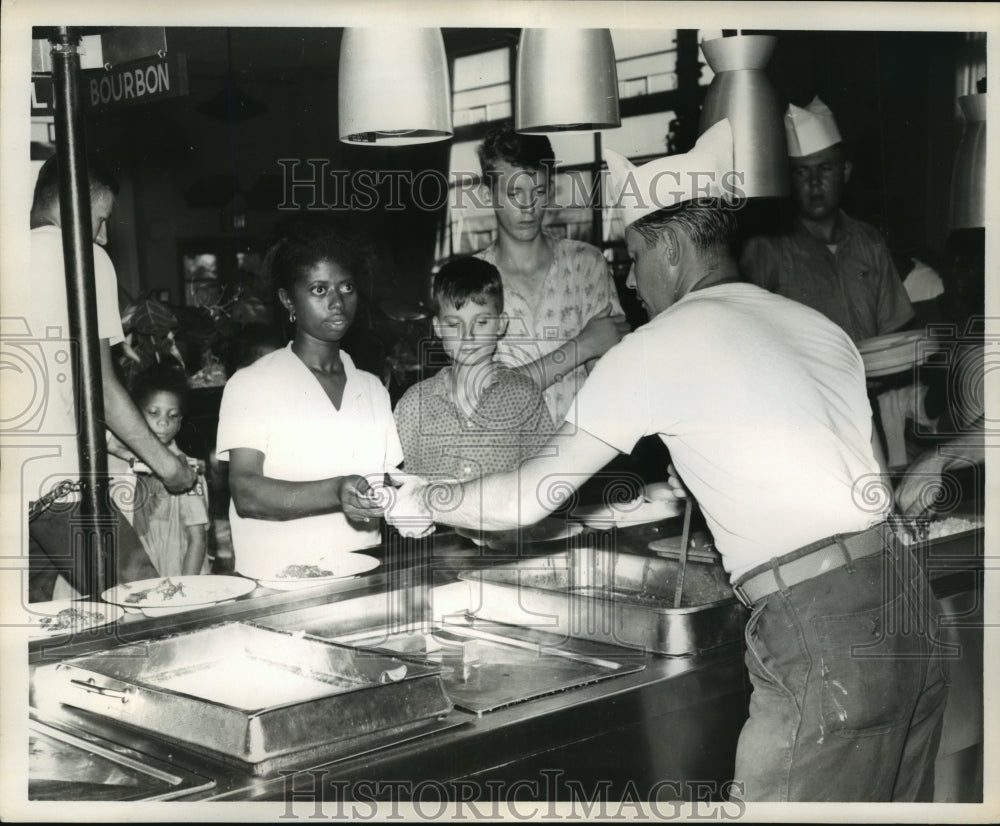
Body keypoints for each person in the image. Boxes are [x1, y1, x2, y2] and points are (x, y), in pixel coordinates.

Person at [387, 121, 949, 802]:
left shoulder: (656, 346)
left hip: (819, 631)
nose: (629, 279)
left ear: (675, 248)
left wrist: (422, 499)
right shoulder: (814, 327)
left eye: (634, 257)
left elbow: (524, 499)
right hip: (908, 604)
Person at [24, 155, 196, 602]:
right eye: (100, 220)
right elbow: (96, 387)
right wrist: (168, 465)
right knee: (148, 600)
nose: (102, 236)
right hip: (55, 485)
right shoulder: (83, 257)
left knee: (41, 620)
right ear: (75, 206)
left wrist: (118, 443)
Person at [215, 221, 401, 581]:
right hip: (278, 582)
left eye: (346, 287)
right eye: (319, 289)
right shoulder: (253, 384)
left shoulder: (372, 388)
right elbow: (247, 492)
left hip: (361, 574)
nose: (336, 302)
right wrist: (334, 491)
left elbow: (388, 485)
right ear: (288, 300)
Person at [474, 123, 630, 424]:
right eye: (514, 192)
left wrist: (598, 352)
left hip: (586, 457)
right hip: (506, 462)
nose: (529, 206)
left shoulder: (587, 264)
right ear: (488, 195)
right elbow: (484, 395)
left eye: (539, 191)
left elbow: (612, 380)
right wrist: (583, 345)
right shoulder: (471, 278)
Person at [740, 97, 914, 343]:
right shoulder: (766, 250)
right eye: (802, 172)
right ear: (789, 181)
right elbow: (749, 337)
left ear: (845, 172)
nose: (814, 182)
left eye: (825, 168)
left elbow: (893, 332)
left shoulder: (869, 241)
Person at [393, 257, 554, 481]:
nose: (468, 336)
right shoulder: (414, 405)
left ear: (500, 324)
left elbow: (544, 484)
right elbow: (399, 486)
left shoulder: (524, 398)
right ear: (438, 327)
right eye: (454, 324)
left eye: (481, 322)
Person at [122, 365, 209, 576]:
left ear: (180, 423)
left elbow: (198, 539)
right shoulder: (126, 468)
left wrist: (186, 589)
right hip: (140, 574)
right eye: (153, 413)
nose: (163, 422)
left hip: (181, 573)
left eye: (173, 415)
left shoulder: (189, 473)